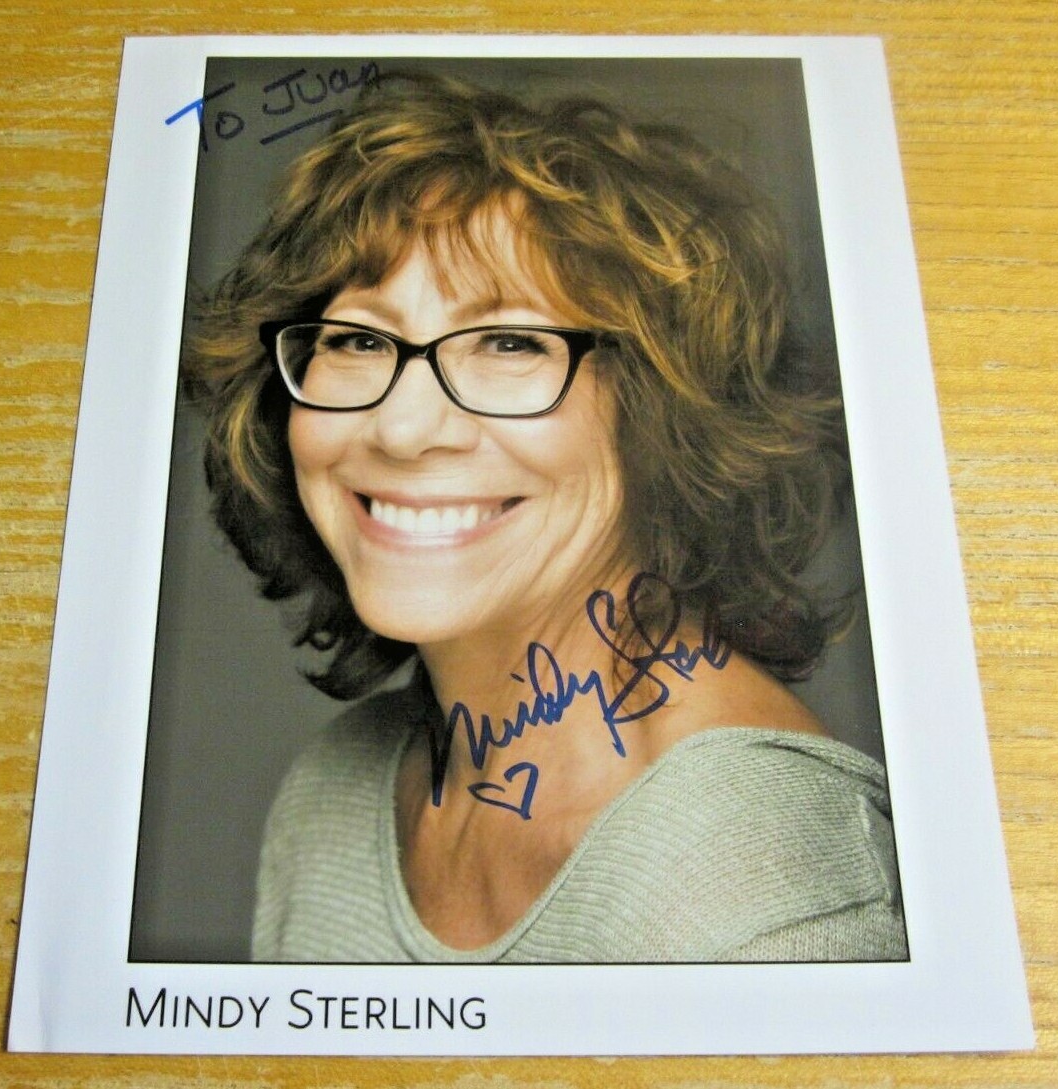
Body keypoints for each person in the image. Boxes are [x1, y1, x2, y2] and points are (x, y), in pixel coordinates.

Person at [185, 72, 907, 963]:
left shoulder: (760, 874)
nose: (402, 429)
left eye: (510, 343)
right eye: (359, 339)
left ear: (665, 409)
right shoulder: (329, 796)